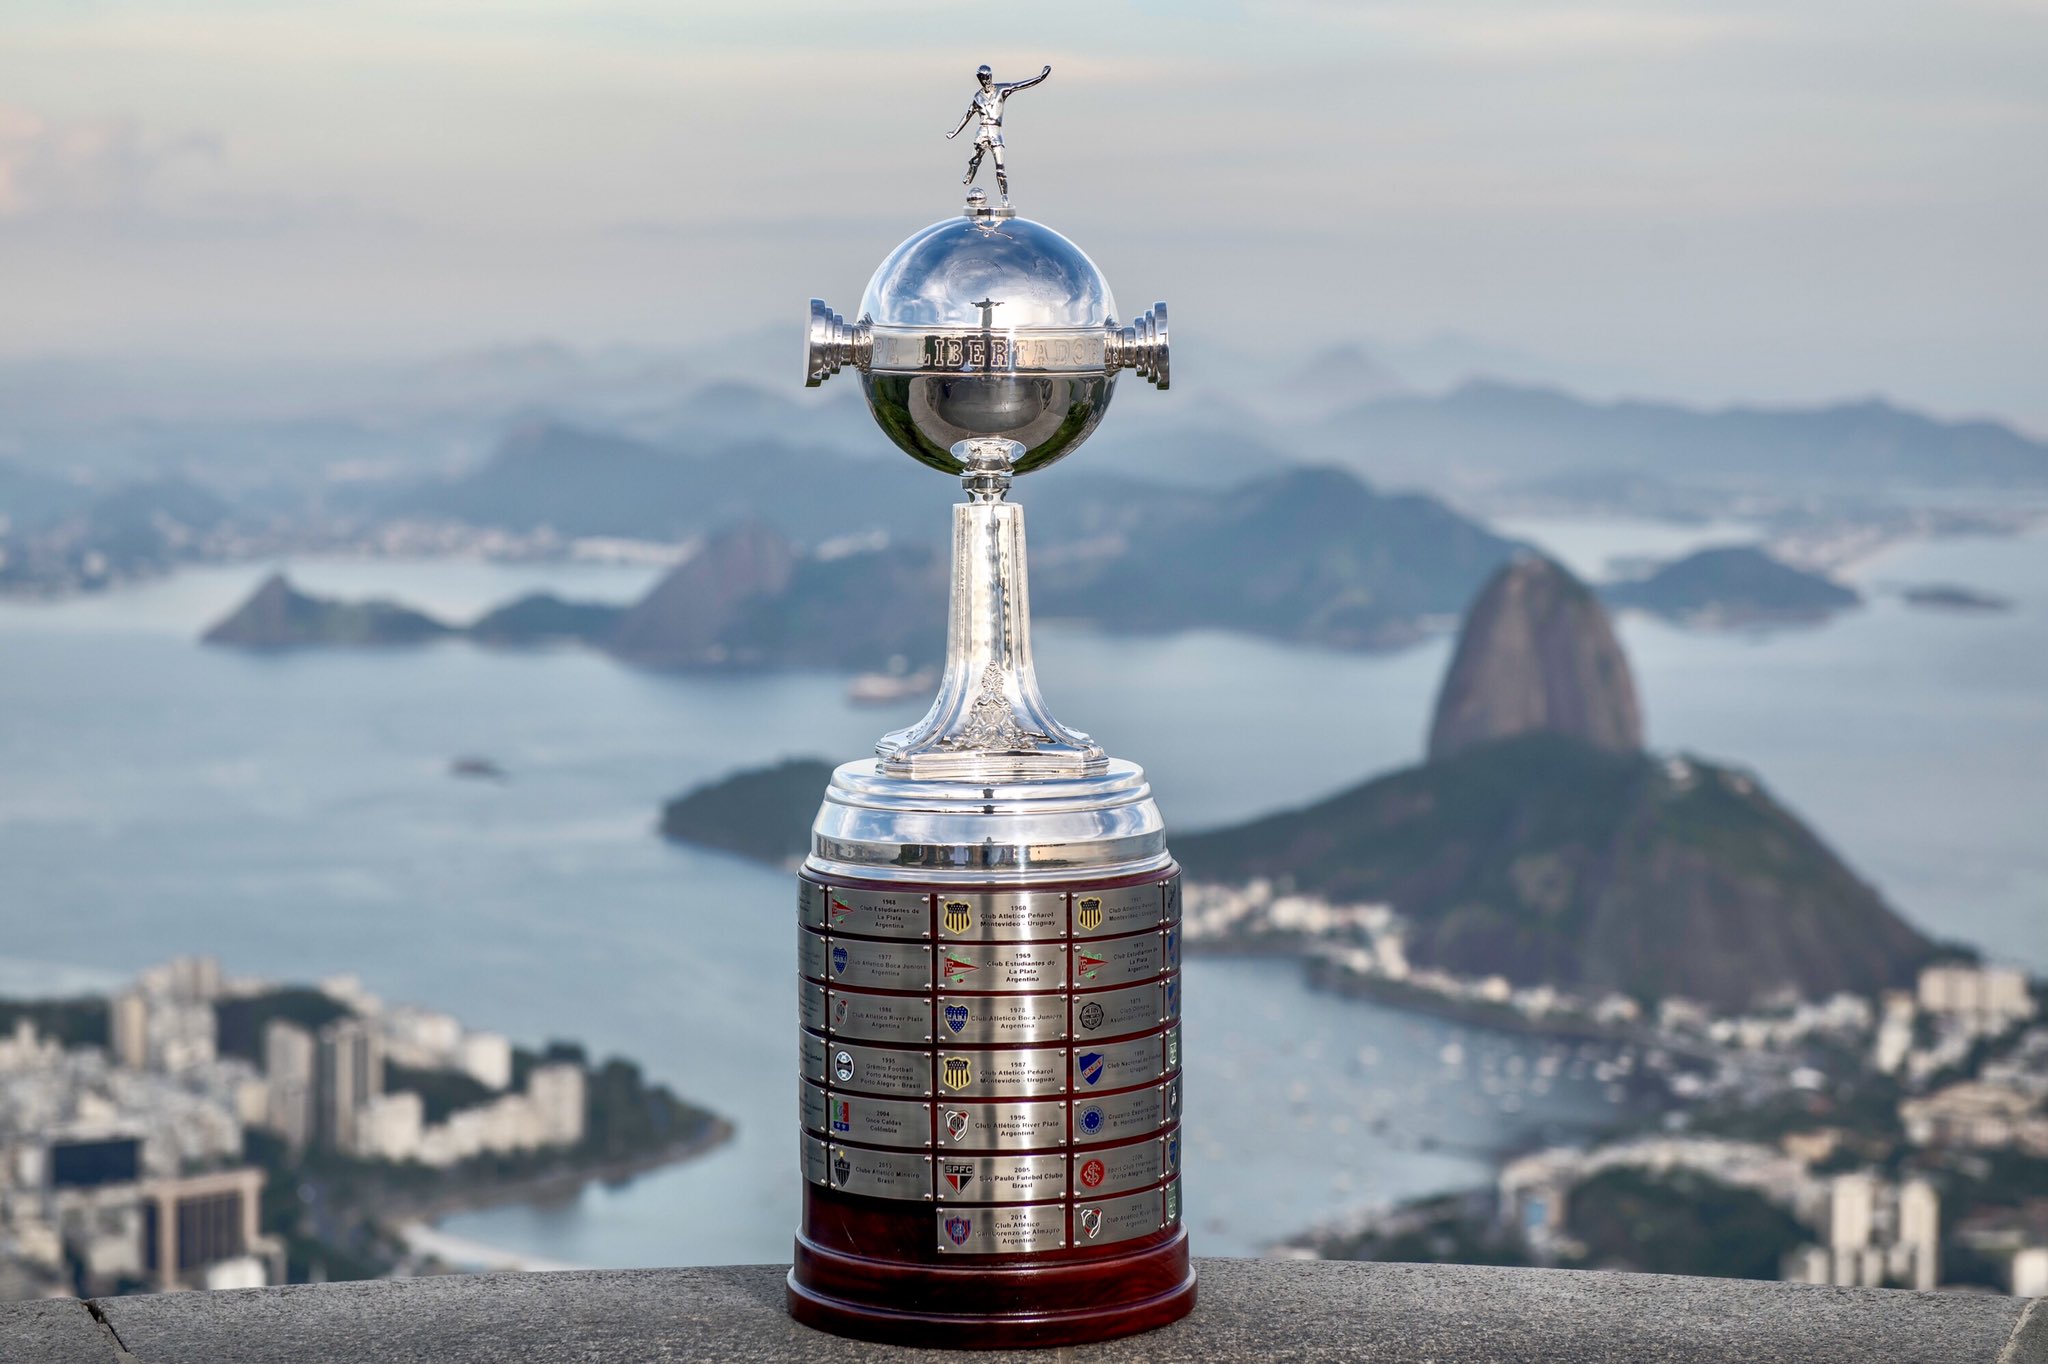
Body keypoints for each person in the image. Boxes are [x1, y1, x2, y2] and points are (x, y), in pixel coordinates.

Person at [947, 64, 1051, 204]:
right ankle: (971, 171)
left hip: (995, 131)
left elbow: (1019, 85)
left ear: (991, 76)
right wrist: (954, 132)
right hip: (982, 130)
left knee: (1000, 167)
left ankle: (1004, 196)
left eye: (987, 77)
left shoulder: (1001, 90)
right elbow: (967, 115)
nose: (985, 81)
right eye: (982, 78)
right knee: (974, 159)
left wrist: (1040, 77)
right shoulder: (978, 97)